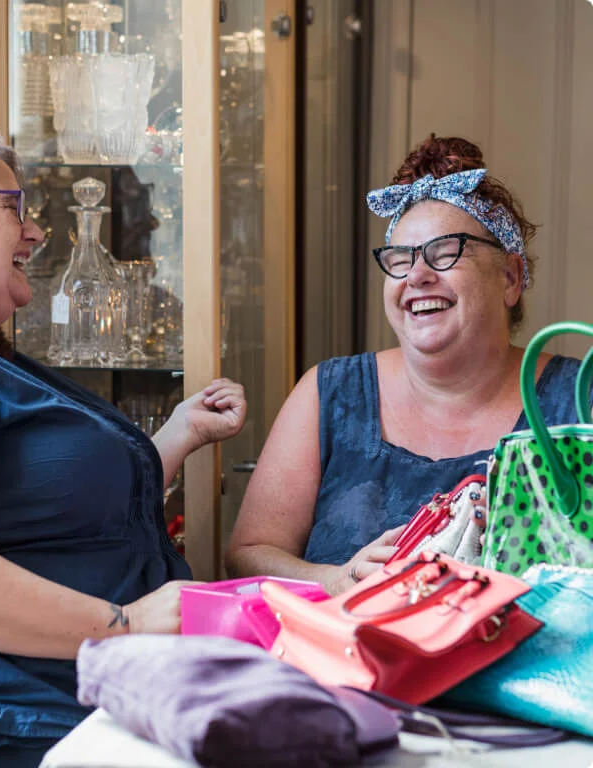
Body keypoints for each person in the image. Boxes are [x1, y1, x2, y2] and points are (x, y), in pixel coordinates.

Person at [0, 131, 246, 768]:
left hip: (69, 712)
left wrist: (179, 435)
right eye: (15, 209)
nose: (34, 233)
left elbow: (63, 516)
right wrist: (126, 625)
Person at [226, 133, 586, 595]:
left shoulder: (579, 400)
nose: (416, 276)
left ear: (510, 278)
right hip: (342, 662)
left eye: (445, 252)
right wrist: (333, 580)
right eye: (400, 259)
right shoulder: (328, 392)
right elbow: (249, 552)